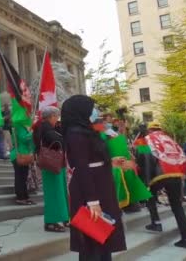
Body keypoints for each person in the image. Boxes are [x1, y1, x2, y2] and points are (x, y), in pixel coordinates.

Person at [61, 95, 126, 260]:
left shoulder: (87, 131)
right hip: (91, 191)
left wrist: (110, 162)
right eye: (91, 108)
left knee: (103, 236)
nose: (94, 111)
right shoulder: (75, 134)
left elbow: (91, 158)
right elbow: (82, 167)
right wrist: (92, 201)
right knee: (92, 240)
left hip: (100, 186)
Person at [137, 122, 186, 249]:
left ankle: (156, 222)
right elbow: (183, 157)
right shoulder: (170, 140)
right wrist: (182, 173)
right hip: (176, 174)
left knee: (150, 195)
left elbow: (144, 159)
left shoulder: (145, 139)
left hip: (159, 174)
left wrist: (145, 181)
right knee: (177, 205)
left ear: (149, 129)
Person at [33, 106, 69, 233]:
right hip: (50, 164)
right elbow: (57, 140)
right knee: (53, 193)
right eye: (56, 116)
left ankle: (64, 217)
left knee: (61, 192)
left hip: (57, 163)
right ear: (51, 116)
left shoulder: (50, 127)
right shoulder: (44, 127)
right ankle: (50, 222)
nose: (57, 119)